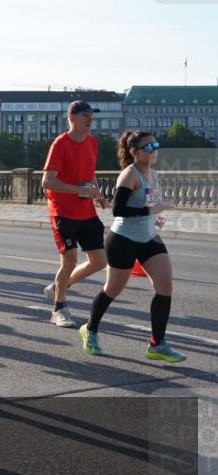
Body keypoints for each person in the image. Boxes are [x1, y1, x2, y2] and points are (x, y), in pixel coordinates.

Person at [78, 132, 184, 362]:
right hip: (123, 239)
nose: (154, 149)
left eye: (156, 144)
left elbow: (147, 205)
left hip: (148, 238)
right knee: (112, 289)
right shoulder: (129, 175)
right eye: (149, 146)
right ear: (134, 152)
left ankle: (157, 344)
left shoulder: (153, 174)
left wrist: (154, 218)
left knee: (165, 286)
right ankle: (90, 329)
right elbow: (119, 210)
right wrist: (154, 210)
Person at [41, 100, 109, 328]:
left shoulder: (92, 142)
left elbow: (89, 173)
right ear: (72, 118)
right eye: (85, 116)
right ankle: (59, 309)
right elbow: (47, 181)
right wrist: (78, 190)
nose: (90, 120)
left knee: (100, 261)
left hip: (85, 211)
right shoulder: (61, 143)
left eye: (91, 116)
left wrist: (97, 193)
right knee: (70, 260)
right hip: (62, 211)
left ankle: (58, 287)